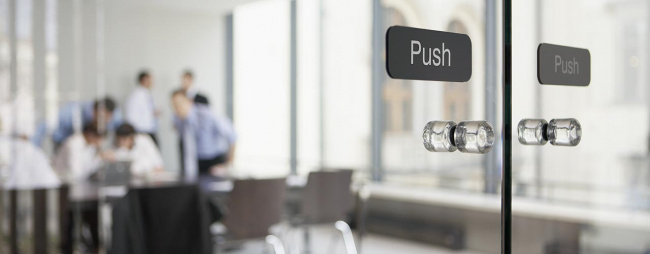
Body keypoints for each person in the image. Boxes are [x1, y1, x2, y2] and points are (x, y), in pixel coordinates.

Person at [171, 90, 236, 185]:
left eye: (179, 104)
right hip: (197, 163)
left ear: (189, 101)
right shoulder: (181, 121)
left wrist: (228, 165)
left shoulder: (207, 114)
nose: (177, 109)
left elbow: (232, 136)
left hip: (215, 161)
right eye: (174, 106)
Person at [32, 97, 122, 150]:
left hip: (87, 149)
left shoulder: (114, 115)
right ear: (95, 111)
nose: (105, 122)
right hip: (63, 144)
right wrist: (32, 152)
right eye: (102, 118)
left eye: (108, 118)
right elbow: (42, 126)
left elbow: (124, 129)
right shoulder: (71, 112)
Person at [126, 71, 160, 146]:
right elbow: (131, 115)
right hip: (142, 132)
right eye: (150, 80)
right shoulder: (137, 95)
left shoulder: (147, 94)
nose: (152, 82)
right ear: (144, 80)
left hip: (149, 131)